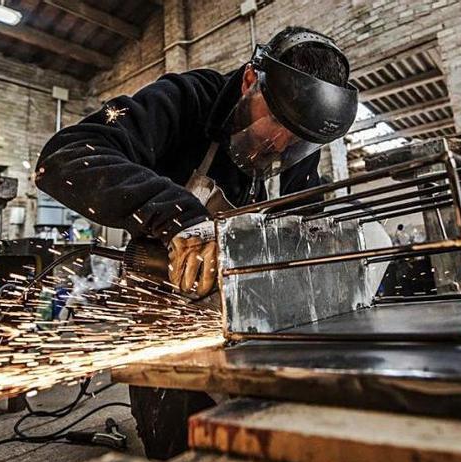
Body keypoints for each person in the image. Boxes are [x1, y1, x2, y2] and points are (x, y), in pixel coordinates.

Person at [36, 26, 358, 300]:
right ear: (250, 80)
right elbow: (68, 155)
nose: (280, 143)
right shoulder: (188, 98)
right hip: (160, 308)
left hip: (252, 314)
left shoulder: (298, 143)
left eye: (297, 138)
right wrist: (182, 220)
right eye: (275, 120)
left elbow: (305, 226)